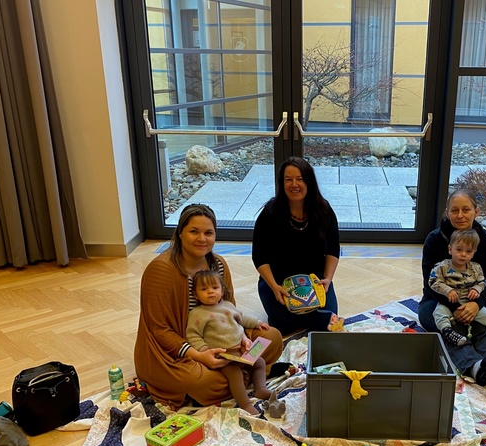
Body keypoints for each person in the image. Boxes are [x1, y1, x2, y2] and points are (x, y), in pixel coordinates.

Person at [134, 204, 283, 411]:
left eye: (208, 233)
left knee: (272, 338)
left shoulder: (218, 265)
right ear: (180, 233)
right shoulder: (160, 271)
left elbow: (230, 310)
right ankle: (242, 375)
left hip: (225, 340)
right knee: (202, 382)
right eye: (194, 231)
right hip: (182, 349)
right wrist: (199, 355)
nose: (202, 239)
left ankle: (237, 375)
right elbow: (159, 330)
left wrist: (243, 338)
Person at [419, 189, 486, 387]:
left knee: (484, 324)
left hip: (473, 299)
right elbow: (429, 284)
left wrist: (476, 304)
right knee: (445, 327)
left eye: (466, 210)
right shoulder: (434, 240)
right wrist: (455, 308)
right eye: (454, 210)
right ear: (447, 212)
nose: (460, 215)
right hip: (438, 300)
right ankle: (474, 366)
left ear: (476, 212)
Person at [252, 156, 343, 335]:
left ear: (309, 181)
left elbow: (333, 248)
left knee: (328, 320)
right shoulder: (270, 213)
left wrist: (328, 279)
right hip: (278, 283)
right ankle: (303, 316)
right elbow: (259, 256)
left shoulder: (323, 210)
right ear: (282, 183)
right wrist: (273, 286)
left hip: (315, 282)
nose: (294, 184)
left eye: (300, 179)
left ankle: (310, 316)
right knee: (284, 325)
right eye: (288, 179)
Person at [186, 270, 284, 416]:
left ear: (222, 290)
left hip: (241, 350)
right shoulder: (197, 314)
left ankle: (260, 389)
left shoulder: (228, 305)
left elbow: (242, 318)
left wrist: (257, 323)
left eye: (215, 288)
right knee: (235, 374)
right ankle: (245, 404)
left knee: (260, 362)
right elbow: (192, 334)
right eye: (204, 289)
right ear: (195, 294)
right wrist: (204, 349)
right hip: (223, 356)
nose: (210, 292)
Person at [429, 229, 486, 349]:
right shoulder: (441, 267)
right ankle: (448, 332)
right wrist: (447, 290)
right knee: (439, 313)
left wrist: (476, 289)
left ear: (473, 253)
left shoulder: (476, 268)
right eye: (459, 250)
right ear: (450, 249)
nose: (463, 254)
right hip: (448, 302)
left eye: (468, 251)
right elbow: (433, 281)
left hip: (469, 301)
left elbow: (482, 282)